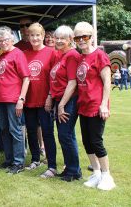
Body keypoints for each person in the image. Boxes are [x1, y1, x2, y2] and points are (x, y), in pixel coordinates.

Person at [74, 22, 116, 191]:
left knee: (96, 141)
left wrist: (104, 105)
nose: (81, 40)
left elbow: (107, 82)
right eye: (77, 37)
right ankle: (96, 173)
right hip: (83, 105)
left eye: (84, 36)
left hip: (96, 105)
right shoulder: (80, 57)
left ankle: (107, 176)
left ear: (91, 37)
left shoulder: (100, 56)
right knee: (86, 142)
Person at [0, 26, 30, 174]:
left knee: (15, 130)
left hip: (13, 98)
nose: (3, 43)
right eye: (0, 41)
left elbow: (26, 78)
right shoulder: (1, 56)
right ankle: (9, 160)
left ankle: (18, 162)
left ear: (12, 39)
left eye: (6, 40)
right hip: (1, 99)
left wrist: (21, 98)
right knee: (4, 130)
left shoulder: (18, 54)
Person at [23, 23, 57, 173]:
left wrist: (50, 96)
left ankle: (52, 165)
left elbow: (55, 78)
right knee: (31, 131)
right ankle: (35, 159)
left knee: (47, 132)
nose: (35, 38)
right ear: (28, 37)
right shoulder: (24, 54)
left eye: (38, 35)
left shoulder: (52, 53)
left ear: (43, 36)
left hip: (45, 100)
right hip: (29, 100)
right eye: (32, 35)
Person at [49, 25, 81, 182]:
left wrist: (61, 105)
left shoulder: (72, 56)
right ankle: (72, 169)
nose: (59, 41)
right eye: (57, 38)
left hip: (68, 100)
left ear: (70, 40)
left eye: (63, 38)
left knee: (65, 135)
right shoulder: (60, 55)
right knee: (66, 135)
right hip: (59, 99)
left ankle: (73, 171)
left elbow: (72, 82)